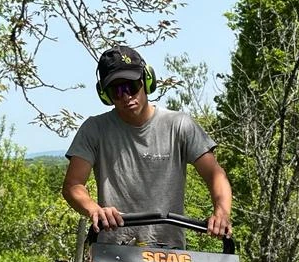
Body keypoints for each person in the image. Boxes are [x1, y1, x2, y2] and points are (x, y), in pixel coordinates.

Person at [61, 45, 232, 247]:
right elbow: (73, 185)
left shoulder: (179, 125)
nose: (125, 96)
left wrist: (221, 211)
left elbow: (215, 174)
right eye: (116, 91)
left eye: (131, 86)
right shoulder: (94, 129)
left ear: (146, 80)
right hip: (112, 253)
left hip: (170, 254)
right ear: (104, 94)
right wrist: (94, 209)